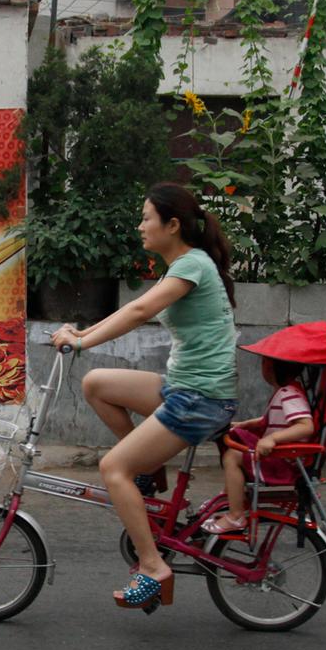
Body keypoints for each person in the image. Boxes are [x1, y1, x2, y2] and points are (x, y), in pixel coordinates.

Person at [50, 182, 238, 610]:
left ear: (172, 225)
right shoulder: (187, 264)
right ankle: (151, 474)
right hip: (185, 389)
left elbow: (138, 312)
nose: (140, 226)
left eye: (146, 218)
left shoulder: (193, 266)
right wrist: (82, 334)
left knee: (112, 468)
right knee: (96, 384)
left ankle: (153, 567)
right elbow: (132, 308)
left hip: (200, 399)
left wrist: (80, 343)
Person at [202, 356, 314, 535]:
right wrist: (245, 424)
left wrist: (273, 438)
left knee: (232, 456)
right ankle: (231, 495)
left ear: (269, 367)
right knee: (233, 442)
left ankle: (236, 514)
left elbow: (306, 426)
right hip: (279, 457)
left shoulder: (289, 393)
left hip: (282, 462)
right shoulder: (286, 391)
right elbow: (267, 420)